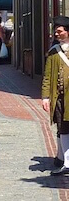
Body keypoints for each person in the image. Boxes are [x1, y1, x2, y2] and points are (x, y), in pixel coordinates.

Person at [42, 15, 69, 176]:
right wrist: (45, 97)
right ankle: (66, 162)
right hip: (59, 98)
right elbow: (46, 77)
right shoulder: (53, 53)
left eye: (59, 31)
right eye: (56, 31)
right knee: (63, 128)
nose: (56, 34)